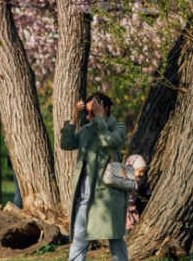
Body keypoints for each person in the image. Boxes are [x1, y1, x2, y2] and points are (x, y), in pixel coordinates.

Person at [59, 92, 129, 261]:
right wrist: (74, 118)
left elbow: (108, 142)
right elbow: (66, 144)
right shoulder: (86, 129)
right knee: (79, 238)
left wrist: (99, 119)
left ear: (106, 109)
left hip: (108, 196)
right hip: (84, 196)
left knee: (115, 238)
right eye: (87, 112)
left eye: (93, 111)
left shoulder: (118, 127)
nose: (89, 116)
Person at [124, 155, 148, 231]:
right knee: (127, 223)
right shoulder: (125, 179)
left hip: (132, 206)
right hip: (125, 206)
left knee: (134, 221)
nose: (142, 174)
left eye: (143, 172)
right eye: (140, 171)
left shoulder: (137, 182)